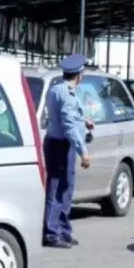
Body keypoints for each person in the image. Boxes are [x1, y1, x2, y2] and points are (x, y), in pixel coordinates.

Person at [42, 54, 94, 249]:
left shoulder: (56, 89)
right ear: (79, 75)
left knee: (64, 189)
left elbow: (65, 117)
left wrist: (84, 122)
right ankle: (52, 233)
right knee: (58, 190)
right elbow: (68, 126)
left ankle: (63, 230)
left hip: (55, 143)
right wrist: (83, 152)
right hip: (61, 146)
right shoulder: (68, 94)